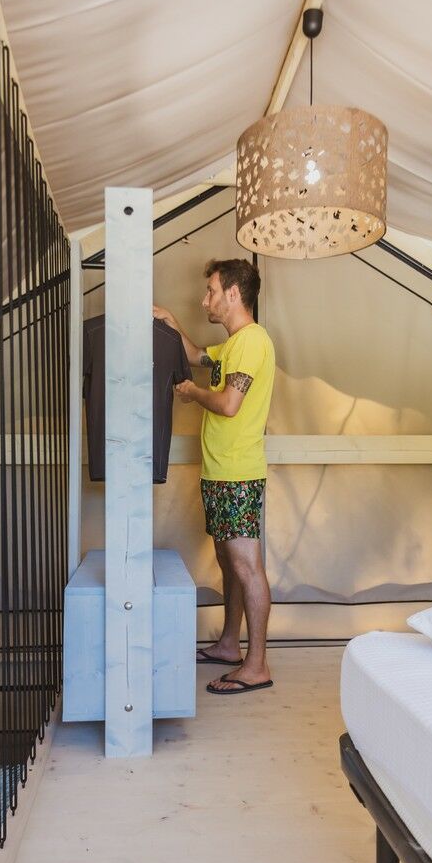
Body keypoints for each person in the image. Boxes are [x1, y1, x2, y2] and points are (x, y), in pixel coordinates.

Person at [154, 258, 276, 696]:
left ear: (233, 294)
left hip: (238, 475)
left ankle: (256, 665)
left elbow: (228, 404)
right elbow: (197, 355)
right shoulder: (232, 345)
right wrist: (171, 323)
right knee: (229, 562)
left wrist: (191, 392)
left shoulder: (252, 341)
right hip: (221, 474)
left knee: (247, 566)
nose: (205, 299)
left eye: (211, 291)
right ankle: (229, 645)